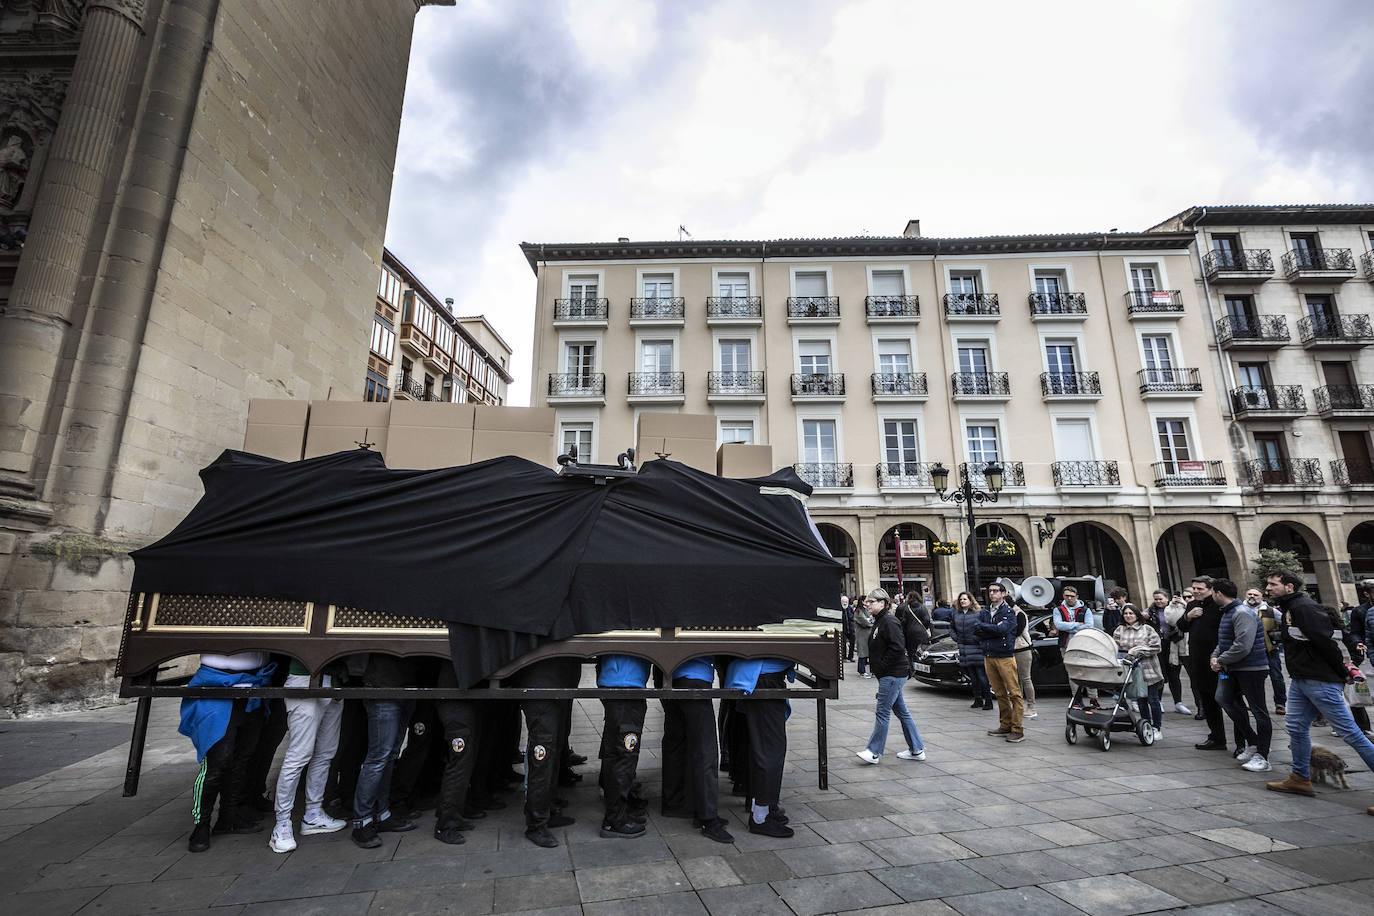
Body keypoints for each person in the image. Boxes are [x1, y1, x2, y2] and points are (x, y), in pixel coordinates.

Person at [1265, 570, 1374, 809]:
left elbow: (1325, 642)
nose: (1268, 588)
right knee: (1295, 726)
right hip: (1303, 678)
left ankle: (1300, 777)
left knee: (1351, 733)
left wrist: (1342, 670)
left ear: (1289, 587)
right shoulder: (1292, 607)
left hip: (1319, 679)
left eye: (1273, 584)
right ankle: (1300, 778)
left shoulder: (1304, 608)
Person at [178, 651, 274, 853]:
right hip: (216, 686)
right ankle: (201, 824)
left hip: (255, 685)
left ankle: (229, 816)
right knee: (217, 761)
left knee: (243, 757)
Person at [268, 657, 349, 853]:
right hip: (304, 678)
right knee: (298, 756)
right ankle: (282, 824)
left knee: (325, 753)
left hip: (333, 681)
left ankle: (313, 814)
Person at [659, 657, 733, 843]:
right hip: (694, 676)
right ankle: (707, 817)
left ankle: (674, 803)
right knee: (705, 749)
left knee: (676, 743)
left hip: (668, 676)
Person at [510, 657, 582, 847]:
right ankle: (536, 824)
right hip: (540, 685)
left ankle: (546, 810)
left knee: (550, 754)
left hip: (554, 684)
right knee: (542, 757)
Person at [351, 654, 419, 848]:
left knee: (390, 756)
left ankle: (382, 814)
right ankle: (361, 821)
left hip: (405, 685)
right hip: (382, 684)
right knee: (378, 757)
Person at [724, 656, 794, 837]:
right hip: (761, 675)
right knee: (770, 749)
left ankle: (760, 806)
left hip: (755, 674)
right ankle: (760, 817)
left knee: (760, 747)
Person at [855, 588, 927, 764]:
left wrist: (881, 666)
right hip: (890, 674)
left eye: (871, 602)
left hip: (893, 673)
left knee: (882, 712)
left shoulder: (889, 621)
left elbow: (897, 647)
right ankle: (917, 749)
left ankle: (873, 752)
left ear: (882, 603)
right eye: (867, 602)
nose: (867, 604)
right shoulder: (881, 620)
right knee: (902, 712)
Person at [1210, 578, 1273, 772]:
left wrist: (1221, 660)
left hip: (1251, 668)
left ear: (1218, 593)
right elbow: (1226, 640)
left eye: (1213, 592)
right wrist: (1215, 656)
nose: (1212, 596)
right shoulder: (1229, 612)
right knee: (1222, 698)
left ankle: (1262, 755)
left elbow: (1242, 645)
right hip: (1233, 668)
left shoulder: (1241, 612)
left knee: (1258, 710)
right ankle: (1253, 742)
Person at [596, 654, 651, 839]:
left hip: (617, 678)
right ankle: (615, 819)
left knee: (615, 753)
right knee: (624, 756)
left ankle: (617, 811)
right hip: (626, 681)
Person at [432, 662, 481, 845]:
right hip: (455, 702)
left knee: (464, 761)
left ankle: (452, 814)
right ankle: (445, 825)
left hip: (460, 699)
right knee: (459, 763)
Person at [1177, 576, 1228, 750]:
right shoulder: (1192, 605)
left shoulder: (1219, 605)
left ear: (1211, 589)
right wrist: (1188, 617)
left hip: (1217, 660)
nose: (1196, 592)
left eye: (1200, 589)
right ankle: (1216, 737)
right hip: (1198, 660)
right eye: (1194, 588)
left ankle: (1243, 741)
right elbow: (1181, 626)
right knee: (1207, 700)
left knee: (1228, 701)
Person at [976, 582, 1025, 742]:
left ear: (1003, 594)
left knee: (1014, 693)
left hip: (1005, 656)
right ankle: (1005, 725)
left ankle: (1017, 729)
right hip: (989, 655)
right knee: (999, 693)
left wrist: (987, 629)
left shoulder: (1009, 612)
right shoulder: (985, 611)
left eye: (996, 591)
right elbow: (977, 630)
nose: (992, 594)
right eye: (990, 591)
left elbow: (1004, 630)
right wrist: (991, 628)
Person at [1113, 604, 1164, 738]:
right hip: (1131, 669)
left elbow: (1156, 647)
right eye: (1126, 614)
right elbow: (1115, 647)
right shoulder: (1119, 630)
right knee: (1141, 700)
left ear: (1137, 615)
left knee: (1153, 700)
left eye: (1131, 613)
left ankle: (1156, 728)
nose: (1128, 616)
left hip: (1149, 669)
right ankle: (1145, 726)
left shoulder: (1147, 629)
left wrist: (1137, 650)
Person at [1052, 585, 1095, 705]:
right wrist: (1077, 625)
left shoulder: (1085, 609)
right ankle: (1077, 699)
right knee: (1072, 673)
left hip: (1083, 645)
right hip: (1067, 645)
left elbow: (1089, 626)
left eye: (1072, 596)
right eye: (1067, 596)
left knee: (1088, 672)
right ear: (1063, 596)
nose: (1069, 598)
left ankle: (1093, 699)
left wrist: (1068, 626)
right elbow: (1059, 625)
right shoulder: (1058, 610)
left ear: (1077, 596)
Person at [949, 591, 991, 710]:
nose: (962, 601)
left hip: (977, 648)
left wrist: (977, 638)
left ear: (971, 601)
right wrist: (956, 638)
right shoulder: (956, 614)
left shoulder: (979, 613)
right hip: (964, 649)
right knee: (972, 676)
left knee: (981, 676)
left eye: (965, 599)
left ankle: (988, 700)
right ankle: (977, 699)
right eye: (961, 599)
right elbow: (951, 627)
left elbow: (985, 628)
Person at [1249, 587, 1287, 715]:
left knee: (1276, 677)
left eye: (1255, 594)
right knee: (1252, 679)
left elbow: (1285, 623)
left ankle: (1280, 703)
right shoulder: (1241, 610)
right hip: (1249, 651)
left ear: (1262, 597)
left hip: (1269, 650)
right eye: (1250, 594)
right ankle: (1255, 703)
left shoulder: (1271, 611)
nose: (1252, 596)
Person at [1013, 601, 1037, 719]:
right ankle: (1019, 706)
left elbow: (1017, 631)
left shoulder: (1019, 614)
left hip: (1022, 649)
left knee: (1025, 679)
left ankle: (1031, 707)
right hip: (1012, 650)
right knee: (1016, 680)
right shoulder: (1007, 613)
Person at [854, 598, 874, 678]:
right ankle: (862, 671)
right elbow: (864, 622)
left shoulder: (865, 610)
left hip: (868, 634)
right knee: (862, 653)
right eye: (866, 601)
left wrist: (870, 620)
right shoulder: (859, 611)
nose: (868, 602)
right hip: (862, 635)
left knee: (870, 653)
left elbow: (871, 619)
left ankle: (872, 671)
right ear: (862, 601)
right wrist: (870, 622)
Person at [841, 595, 856, 662]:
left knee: (852, 643)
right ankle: (844, 657)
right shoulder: (840, 608)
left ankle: (850, 657)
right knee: (843, 643)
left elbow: (853, 617)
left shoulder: (850, 608)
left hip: (851, 628)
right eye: (843, 601)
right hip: (843, 629)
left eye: (846, 601)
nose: (845, 603)